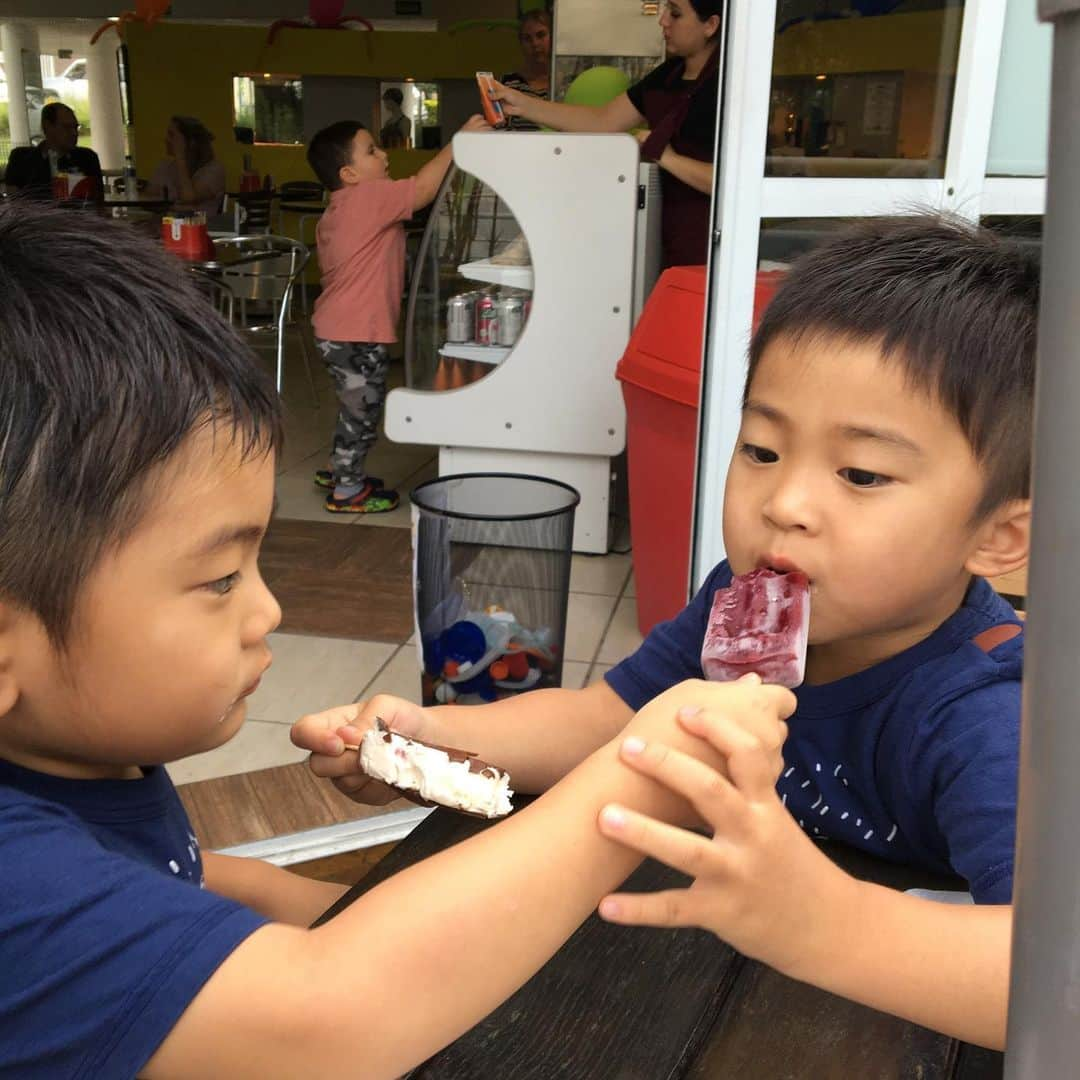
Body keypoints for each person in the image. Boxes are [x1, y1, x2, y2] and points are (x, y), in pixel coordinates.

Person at [0, 200, 796, 1078]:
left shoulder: (77, 764)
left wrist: (409, 914)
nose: (266, 613)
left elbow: (185, 882)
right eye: (220, 579)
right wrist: (640, 771)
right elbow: (328, 1019)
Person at [293, 215, 1037, 1051]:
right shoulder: (738, 602)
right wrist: (438, 738)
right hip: (702, 983)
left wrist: (825, 922)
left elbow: (1052, 983)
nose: (783, 503)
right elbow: (612, 724)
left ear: (998, 539)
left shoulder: (990, 716)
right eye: (761, 449)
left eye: (860, 473)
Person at [304, 114, 488, 512]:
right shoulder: (367, 198)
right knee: (363, 408)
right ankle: (347, 491)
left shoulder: (341, 206)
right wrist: (459, 140)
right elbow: (422, 188)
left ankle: (340, 468)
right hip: (356, 331)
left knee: (355, 404)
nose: (384, 155)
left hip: (338, 327)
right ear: (349, 173)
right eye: (372, 150)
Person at [491, 0, 721, 268]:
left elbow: (738, 184)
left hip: (709, 248)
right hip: (662, 238)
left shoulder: (730, 85)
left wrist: (668, 158)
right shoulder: (668, 75)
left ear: (710, 25)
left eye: (676, 14)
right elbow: (602, 120)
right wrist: (522, 104)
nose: (663, 21)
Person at [3, 102, 103, 202]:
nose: (74, 133)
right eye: (67, 127)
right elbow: (14, 202)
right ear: (47, 126)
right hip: (34, 216)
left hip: (78, 216)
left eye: (76, 127)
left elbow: (97, 202)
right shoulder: (21, 158)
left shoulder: (87, 158)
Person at [147, 115, 226, 215]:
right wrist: (172, 207)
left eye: (172, 135)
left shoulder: (215, 170)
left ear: (191, 142)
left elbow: (188, 198)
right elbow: (148, 199)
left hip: (200, 228)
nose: (166, 139)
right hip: (165, 226)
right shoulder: (164, 166)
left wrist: (180, 157)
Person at [499, 8, 553, 131]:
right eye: (527, 39)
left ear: (553, 37)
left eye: (541, 35)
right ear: (521, 44)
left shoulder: (565, 82)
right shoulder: (509, 82)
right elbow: (500, 131)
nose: (535, 43)